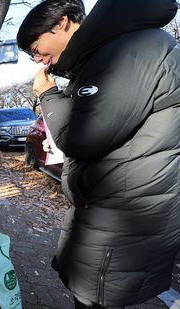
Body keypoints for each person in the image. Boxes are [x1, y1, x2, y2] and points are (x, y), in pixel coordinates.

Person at [17, 0, 180, 308]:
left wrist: (47, 93)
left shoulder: (128, 51)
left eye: (35, 48)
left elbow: (81, 138)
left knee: (95, 300)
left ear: (63, 23)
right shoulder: (111, 50)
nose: (37, 59)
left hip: (122, 222)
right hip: (110, 215)